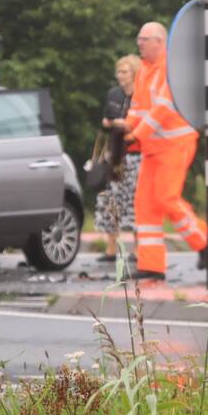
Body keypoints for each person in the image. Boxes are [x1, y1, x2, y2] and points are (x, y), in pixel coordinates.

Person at [115, 22, 207, 281]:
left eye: (144, 39)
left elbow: (164, 108)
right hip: (153, 147)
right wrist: (125, 128)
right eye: (139, 38)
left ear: (159, 41)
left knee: (166, 198)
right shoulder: (144, 70)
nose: (139, 43)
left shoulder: (169, 68)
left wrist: (136, 134)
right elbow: (139, 107)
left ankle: (205, 243)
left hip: (175, 144)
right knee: (144, 205)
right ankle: (152, 265)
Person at [94, 54, 142, 262]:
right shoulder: (113, 94)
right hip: (115, 153)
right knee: (111, 200)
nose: (119, 75)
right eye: (118, 72)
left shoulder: (141, 95)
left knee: (135, 202)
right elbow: (105, 120)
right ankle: (111, 248)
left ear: (134, 73)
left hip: (136, 154)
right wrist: (112, 123)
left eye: (124, 72)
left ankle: (139, 249)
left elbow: (141, 123)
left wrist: (124, 124)